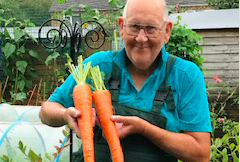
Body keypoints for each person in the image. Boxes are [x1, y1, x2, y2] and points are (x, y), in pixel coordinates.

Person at [39, 0, 212, 161]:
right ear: (122, 27)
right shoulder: (98, 66)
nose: (141, 38)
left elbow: (201, 153)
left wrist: (144, 128)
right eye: (134, 27)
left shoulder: (185, 75)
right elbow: (47, 111)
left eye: (151, 28)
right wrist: (65, 115)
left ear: (166, 31)